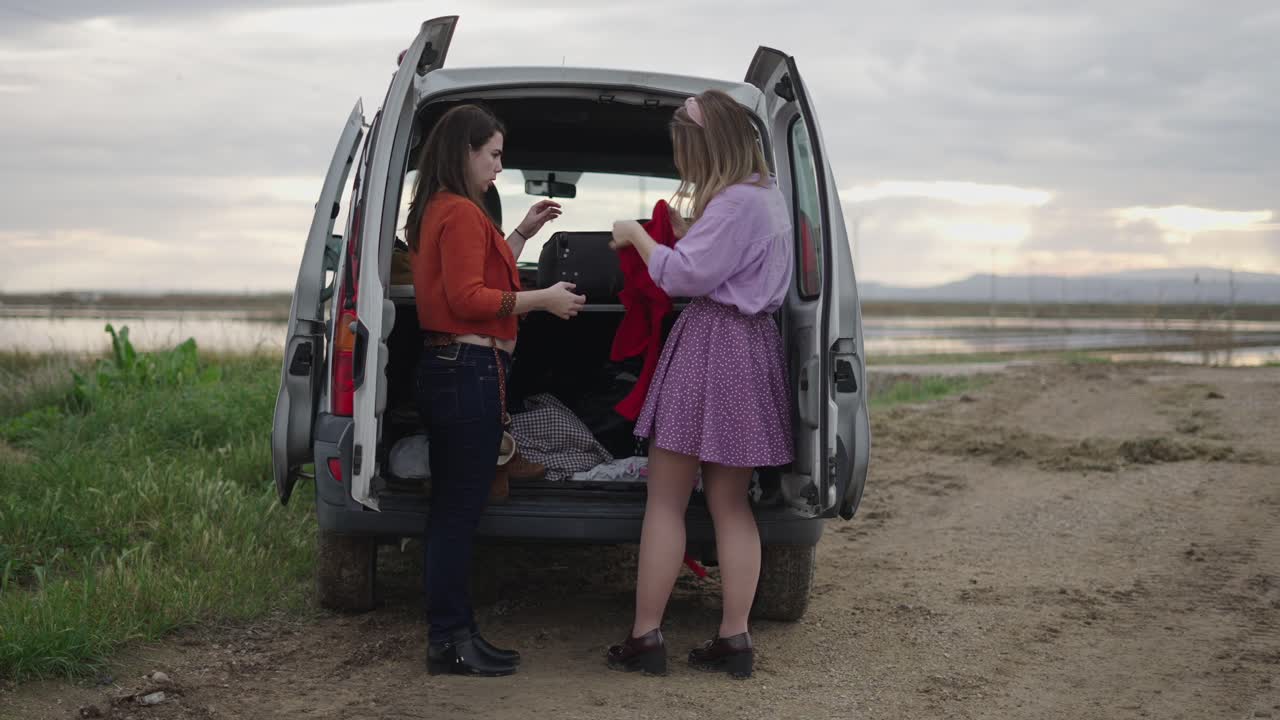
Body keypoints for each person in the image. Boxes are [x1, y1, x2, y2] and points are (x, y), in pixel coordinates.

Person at [605, 90, 795, 679]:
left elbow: (685, 276)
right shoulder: (769, 198)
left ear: (707, 148)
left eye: (685, 151)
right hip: (753, 346)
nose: (682, 165)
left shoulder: (735, 203)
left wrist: (637, 236)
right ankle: (734, 638)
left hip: (712, 345)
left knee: (665, 500)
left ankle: (645, 637)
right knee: (731, 503)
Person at [407, 104, 585, 677]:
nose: (499, 168)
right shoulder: (459, 211)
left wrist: (523, 233)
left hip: (453, 369)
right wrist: (543, 299)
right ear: (466, 151)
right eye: (494, 155)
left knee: (454, 512)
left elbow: (475, 275)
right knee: (459, 514)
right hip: (466, 371)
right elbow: (468, 300)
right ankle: (450, 639)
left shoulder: (445, 208)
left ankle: (455, 634)